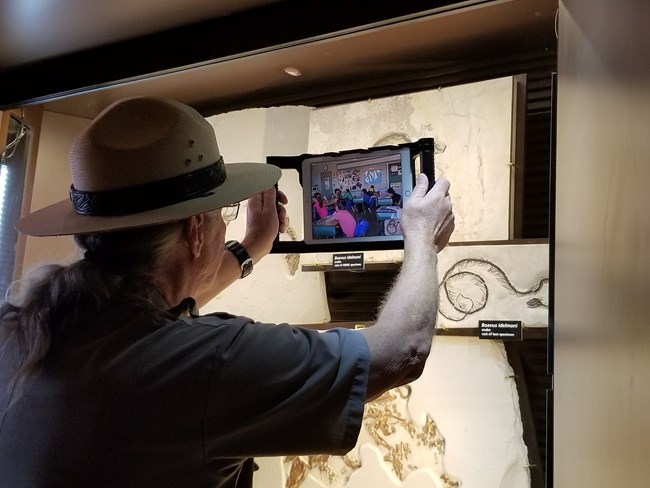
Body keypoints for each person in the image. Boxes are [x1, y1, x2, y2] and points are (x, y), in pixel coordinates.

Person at [0, 96, 455, 488]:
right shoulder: (211, 364)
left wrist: (250, 247)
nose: (224, 224)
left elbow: (150, 308)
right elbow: (402, 350)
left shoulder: (24, 324)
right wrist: (421, 238)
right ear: (197, 230)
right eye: (224, 213)